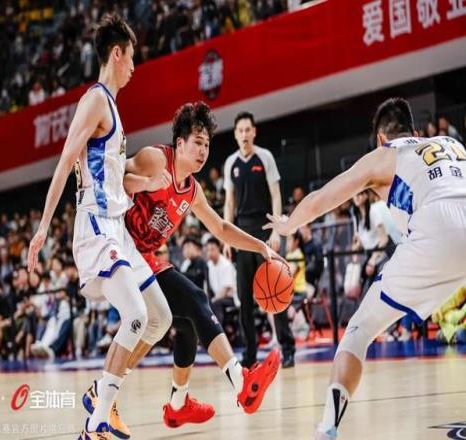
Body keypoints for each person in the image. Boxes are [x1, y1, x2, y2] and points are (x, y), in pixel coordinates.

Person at [263, 97, 466, 439]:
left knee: (359, 330)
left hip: (435, 230)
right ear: (416, 132)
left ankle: (327, 428)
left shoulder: (386, 154)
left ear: (381, 138)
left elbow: (323, 198)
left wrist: (288, 225)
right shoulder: (451, 144)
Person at [83, 102, 281, 432]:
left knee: (187, 323)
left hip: (145, 260)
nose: (203, 151)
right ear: (180, 143)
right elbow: (114, 175)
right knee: (195, 298)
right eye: (197, 142)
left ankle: (177, 404)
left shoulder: (192, 191)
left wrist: (260, 245)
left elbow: (221, 228)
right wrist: (143, 183)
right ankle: (241, 380)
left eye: (207, 145)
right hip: (120, 253)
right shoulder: (156, 159)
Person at [27, 14, 172, 440]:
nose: (134, 67)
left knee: (159, 319)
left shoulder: (112, 108)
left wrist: (146, 183)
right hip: (95, 225)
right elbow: (64, 163)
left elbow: (114, 175)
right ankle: (96, 426)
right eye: (132, 59)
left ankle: (100, 394)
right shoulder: (94, 101)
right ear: (117, 53)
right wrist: (43, 227)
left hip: (117, 228)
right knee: (135, 316)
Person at [223, 111, 296, 368]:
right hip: (242, 233)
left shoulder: (265, 157)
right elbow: (229, 203)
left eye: (248, 130)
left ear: (254, 132)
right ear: (235, 134)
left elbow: (276, 195)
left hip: (265, 231)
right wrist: (227, 238)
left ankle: (287, 348)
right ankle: (250, 355)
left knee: (277, 289)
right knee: (245, 298)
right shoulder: (230, 163)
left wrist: (276, 231)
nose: (244, 134)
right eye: (240, 130)